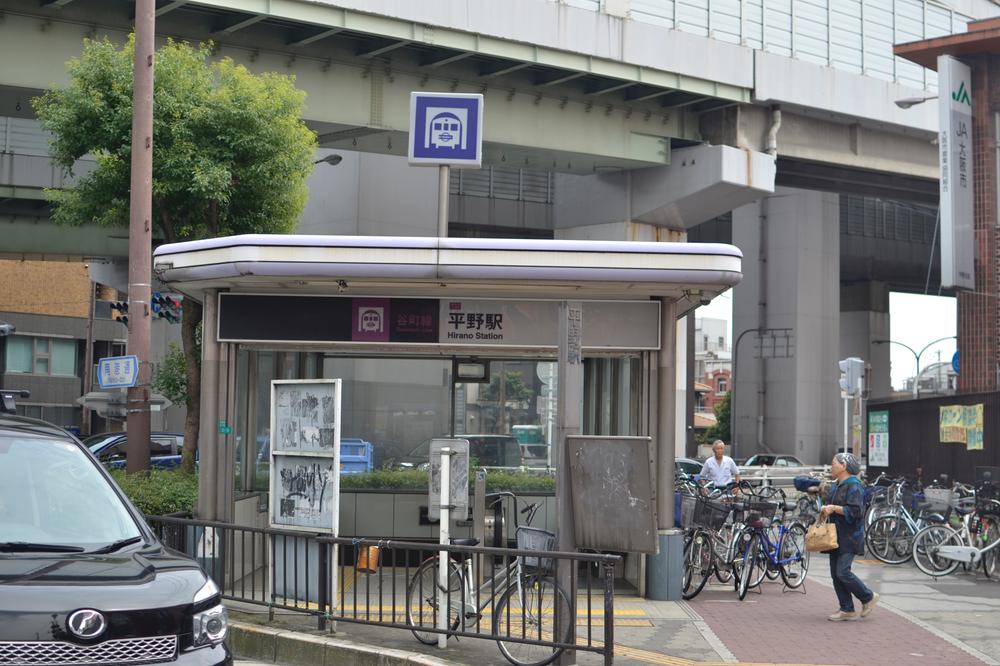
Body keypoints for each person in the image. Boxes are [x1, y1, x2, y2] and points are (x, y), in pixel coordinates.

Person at [821, 452, 879, 621]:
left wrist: (834, 508)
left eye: (834, 463)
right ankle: (846, 608)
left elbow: (856, 511)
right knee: (835, 574)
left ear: (844, 466)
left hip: (850, 536)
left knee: (843, 572)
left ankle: (868, 597)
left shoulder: (855, 486)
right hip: (835, 536)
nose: (832, 466)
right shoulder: (837, 484)